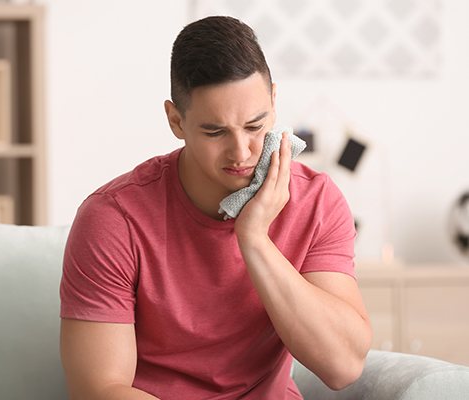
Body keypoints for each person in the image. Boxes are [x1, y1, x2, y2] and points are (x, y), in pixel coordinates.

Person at [59, 16, 372, 400]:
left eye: (255, 126)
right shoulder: (113, 219)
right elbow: (99, 389)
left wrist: (255, 239)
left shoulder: (316, 201)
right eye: (215, 132)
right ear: (176, 120)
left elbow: (344, 366)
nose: (241, 152)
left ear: (274, 101)